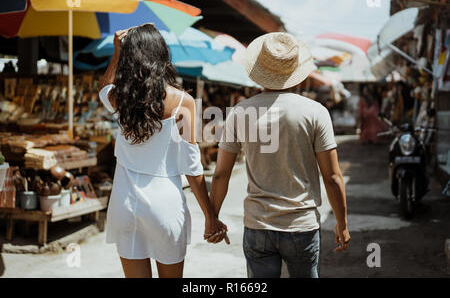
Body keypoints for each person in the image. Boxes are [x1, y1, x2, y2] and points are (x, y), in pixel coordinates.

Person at [206, 32, 350, 278]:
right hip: (301, 226)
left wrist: (213, 218)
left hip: (258, 226)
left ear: (259, 70)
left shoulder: (240, 112)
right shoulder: (315, 112)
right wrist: (342, 224)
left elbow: (220, 175)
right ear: (295, 71)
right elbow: (333, 177)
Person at [98, 24, 226, 278]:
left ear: (130, 57)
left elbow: (104, 86)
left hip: (124, 203)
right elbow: (192, 166)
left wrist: (116, 53)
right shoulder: (182, 102)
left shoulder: (121, 99)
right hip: (164, 204)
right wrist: (211, 216)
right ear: (161, 54)